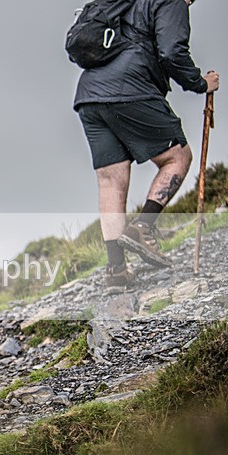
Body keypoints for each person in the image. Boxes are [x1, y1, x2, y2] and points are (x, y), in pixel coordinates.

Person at [74, 0, 219, 287]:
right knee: (178, 158)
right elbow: (171, 51)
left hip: (89, 95)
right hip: (131, 89)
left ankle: (116, 271)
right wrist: (200, 83)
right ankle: (143, 226)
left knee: (110, 181)